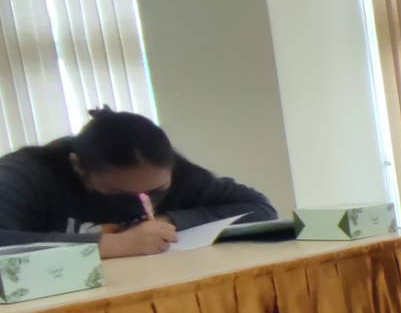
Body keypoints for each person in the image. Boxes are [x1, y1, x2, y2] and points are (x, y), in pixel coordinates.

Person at [0, 107, 276, 255]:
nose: (143, 203)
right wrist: (111, 245)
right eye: (119, 192)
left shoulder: (174, 171)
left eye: (155, 191)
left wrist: (170, 222)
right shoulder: (27, 173)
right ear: (78, 167)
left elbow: (259, 208)